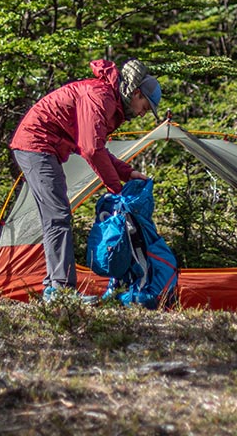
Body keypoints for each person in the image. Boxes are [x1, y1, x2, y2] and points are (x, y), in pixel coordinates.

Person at [9, 58, 162, 299]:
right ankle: (60, 290)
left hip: (42, 148)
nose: (144, 113)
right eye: (146, 106)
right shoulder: (99, 96)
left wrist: (126, 173)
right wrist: (116, 189)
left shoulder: (108, 99)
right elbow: (90, 149)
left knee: (54, 217)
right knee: (58, 216)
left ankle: (55, 287)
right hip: (36, 144)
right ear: (135, 93)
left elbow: (96, 146)